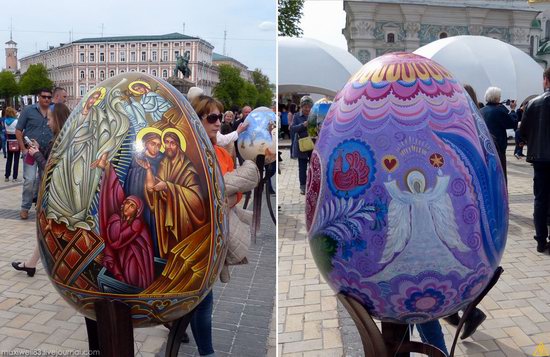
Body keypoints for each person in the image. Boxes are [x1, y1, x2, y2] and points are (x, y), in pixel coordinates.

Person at [187, 94, 260, 357]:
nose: (218, 123)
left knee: (201, 296)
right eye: (212, 118)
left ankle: (180, 327)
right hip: (194, 235)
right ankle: (206, 352)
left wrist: (224, 195)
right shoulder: (188, 154)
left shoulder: (220, 152)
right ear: (197, 120)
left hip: (216, 234)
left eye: (220, 116)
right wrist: (221, 193)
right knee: (203, 297)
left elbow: (235, 195)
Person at [12, 103, 71, 277]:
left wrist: (36, 155)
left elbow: (50, 171)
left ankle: (65, 270)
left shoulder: (62, 142)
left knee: (51, 231)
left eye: (50, 119)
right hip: (58, 195)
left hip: (57, 196)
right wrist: (39, 150)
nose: (47, 123)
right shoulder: (62, 139)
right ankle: (31, 264)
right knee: (47, 230)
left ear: (58, 120)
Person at [519, 67, 550, 253]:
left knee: (540, 199)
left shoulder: (533, 103)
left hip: (539, 158)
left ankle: (540, 239)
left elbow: (523, 132)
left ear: (546, 80)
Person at [16, 88, 54, 220]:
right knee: (29, 180)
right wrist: (23, 149)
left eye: (49, 97)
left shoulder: (53, 112)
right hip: (31, 153)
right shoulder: (28, 110)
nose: (47, 99)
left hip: (46, 154)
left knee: (44, 181)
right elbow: (18, 130)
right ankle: (25, 207)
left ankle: (42, 207)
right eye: (44, 97)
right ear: (39, 97)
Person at [479, 87, 518, 181]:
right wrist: (512, 110)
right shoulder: (499, 111)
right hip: (498, 148)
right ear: (497, 98)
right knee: (500, 178)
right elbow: (513, 123)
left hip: (484, 147)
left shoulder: (481, 111)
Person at [290, 96, 313, 195]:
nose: (307, 109)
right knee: (302, 167)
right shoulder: (296, 116)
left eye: (309, 107)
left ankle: (312, 184)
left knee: (313, 166)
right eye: (305, 107)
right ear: (301, 107)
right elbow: (292, 128)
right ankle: (303, 186)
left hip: (313, 145)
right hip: (302, 145)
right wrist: (303, 125)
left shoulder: (314, 115)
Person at [4, 107, 20, 182]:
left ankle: (7, 176)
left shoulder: (5, 121)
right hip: (16, 141)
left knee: (9, 159)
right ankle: (14, 177)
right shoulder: (16, 121)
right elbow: (19, 131)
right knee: (16, 160)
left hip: (9, 141)